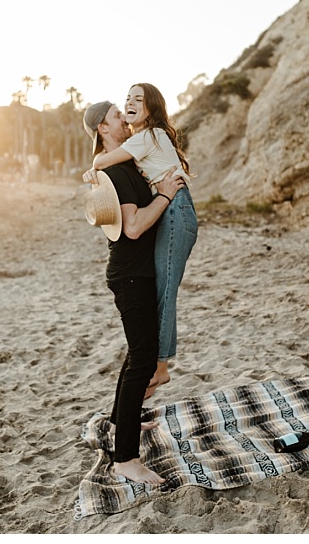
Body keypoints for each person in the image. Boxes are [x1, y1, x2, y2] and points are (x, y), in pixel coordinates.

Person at [81, 100, 185, 484]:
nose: (124, 120)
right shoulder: (121, 174)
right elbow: (135, 227)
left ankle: (118, 422)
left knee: (137, 354)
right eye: (115, 118)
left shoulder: (122, 165)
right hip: (130, 276)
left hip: (133, 273)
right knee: (142, 359)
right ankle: (125, 458)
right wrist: (167, 195)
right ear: (103, 130)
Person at [85, 83, 197, 399]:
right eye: (127, 99)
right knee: (164, 286)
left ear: (151, 109)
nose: (130, 104)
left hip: (177, 210)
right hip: (172, 211)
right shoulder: (142, 139)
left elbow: (104, 160)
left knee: (165, 287)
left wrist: (93, 168)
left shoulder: (149, 136)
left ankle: (160, 368)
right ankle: (149, 381)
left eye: (139, 99)